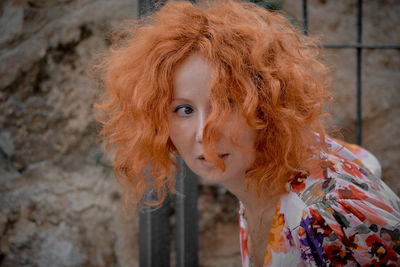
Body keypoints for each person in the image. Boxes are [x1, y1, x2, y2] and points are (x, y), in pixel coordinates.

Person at [95, 1, 400, 266]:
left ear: (267, 105)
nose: (205, 133)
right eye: (184, 110)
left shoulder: (326, 214)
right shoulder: (259, 178)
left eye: (227, 104)